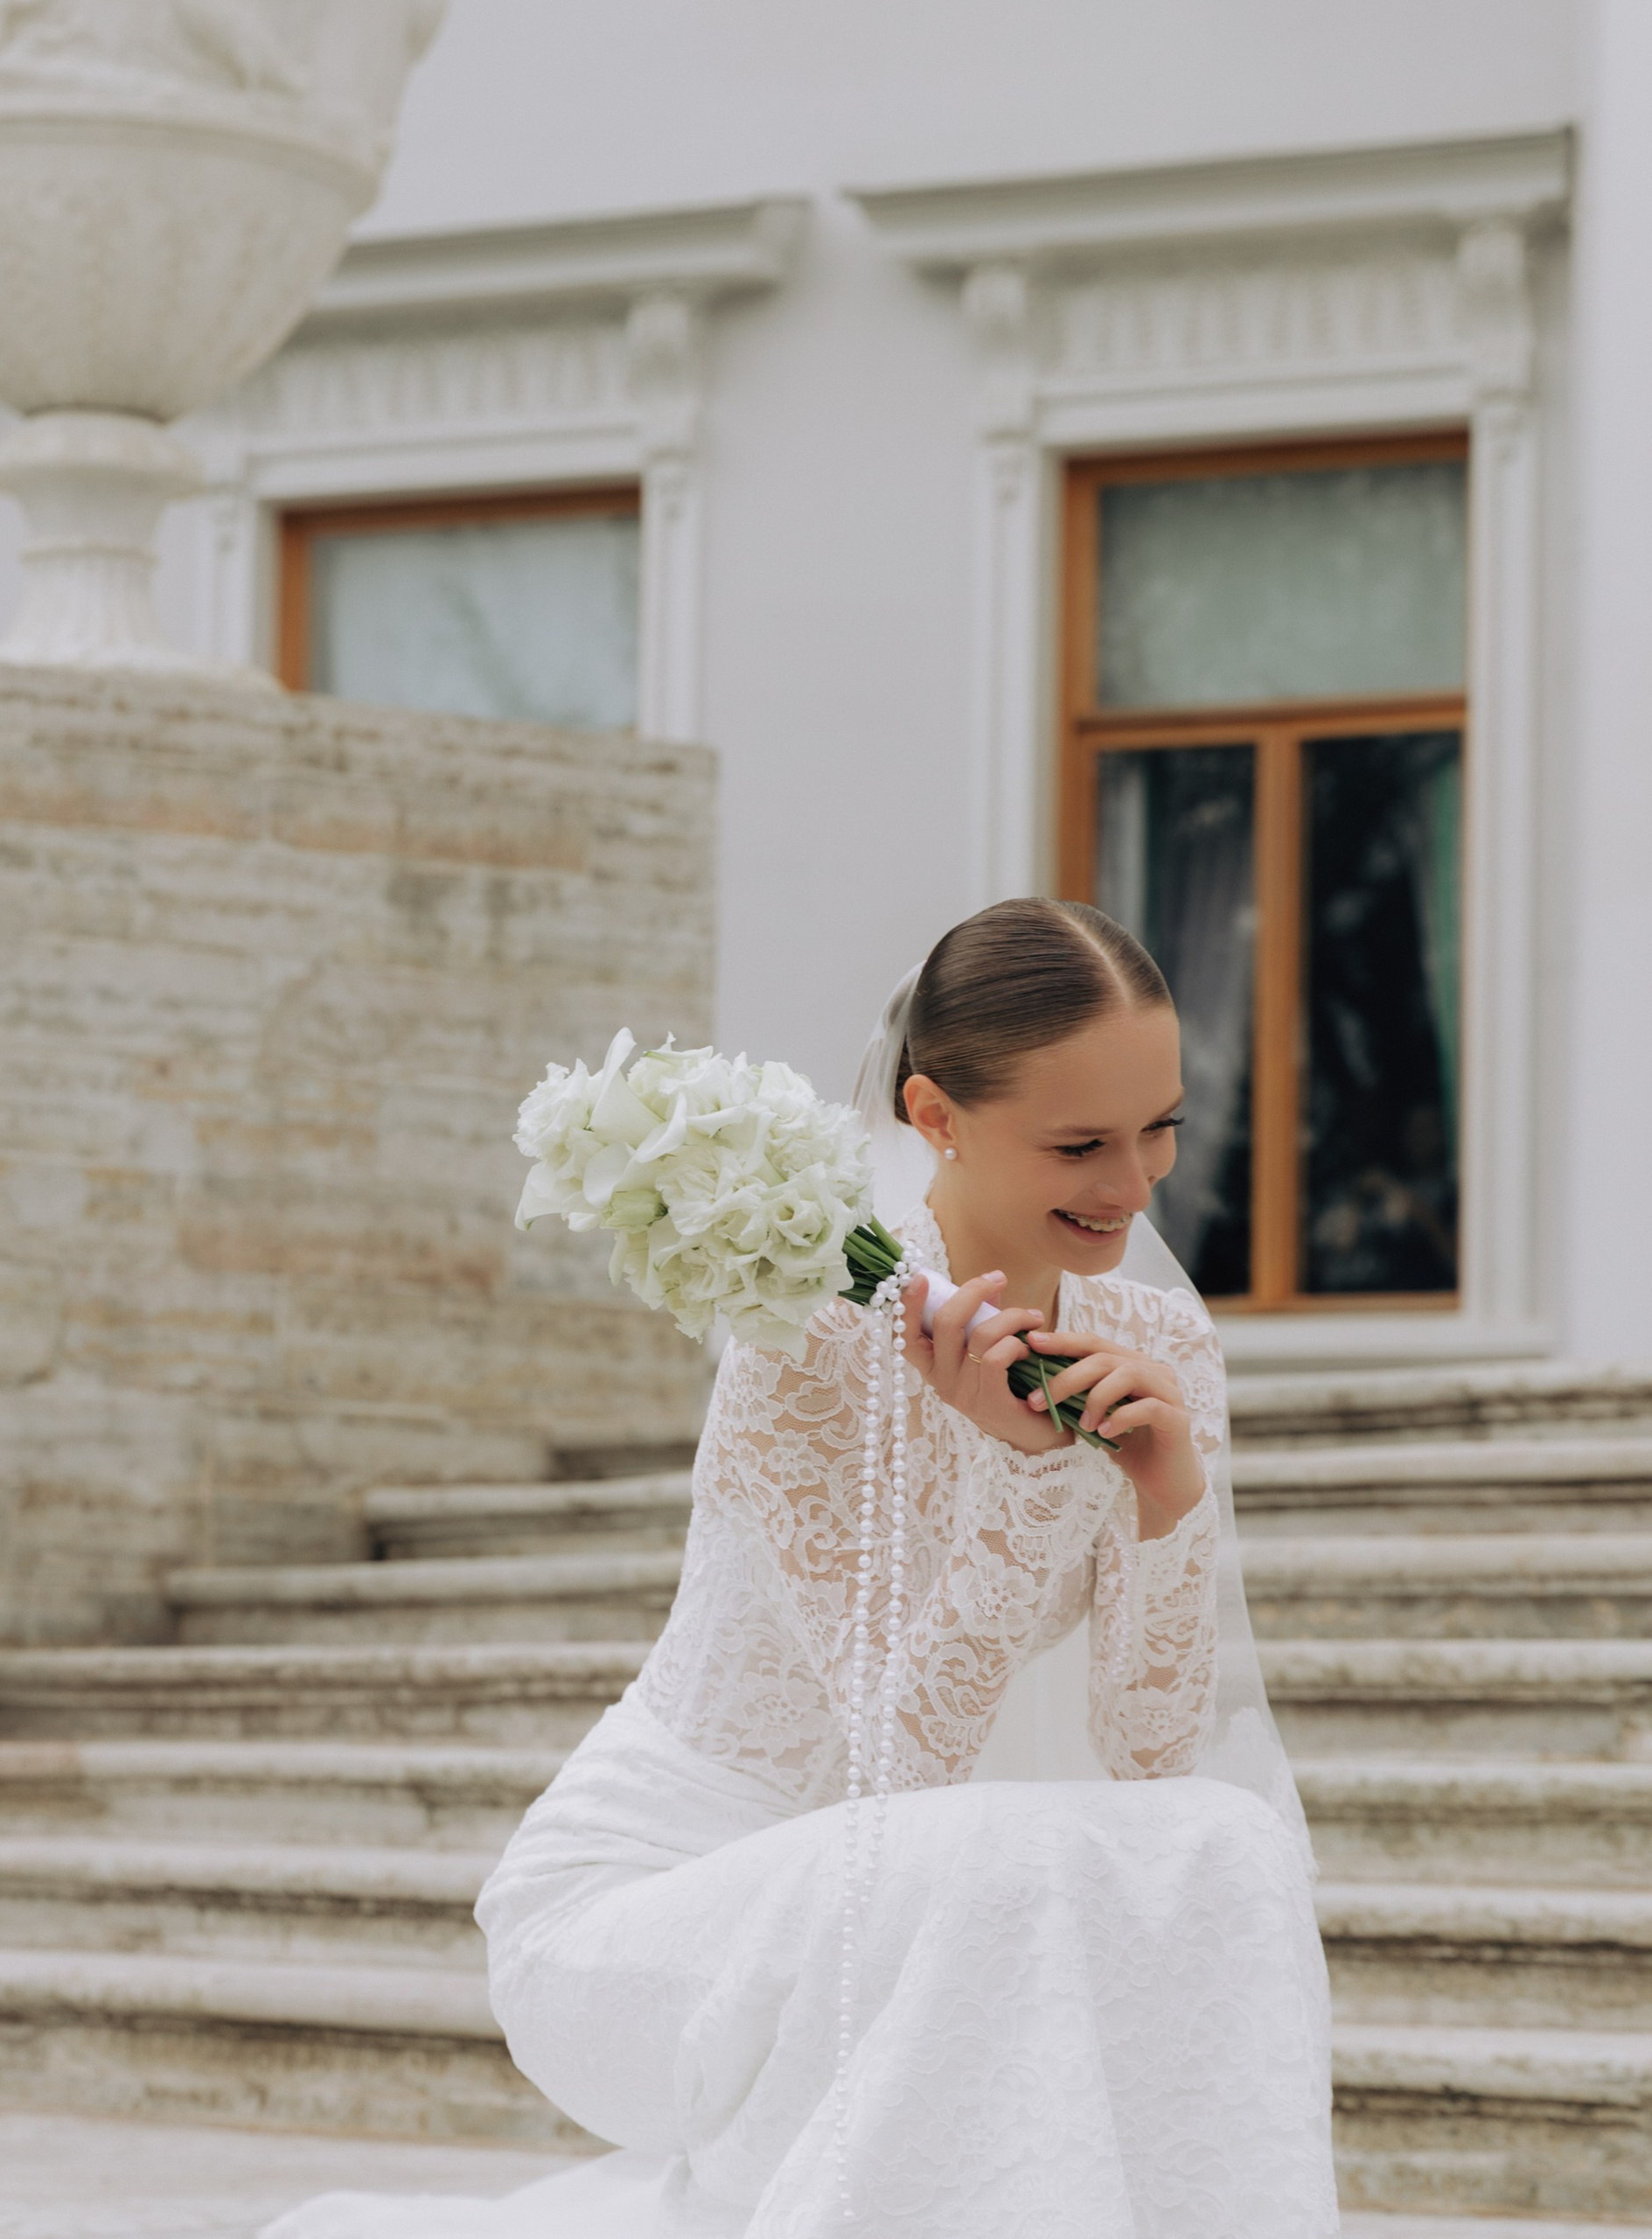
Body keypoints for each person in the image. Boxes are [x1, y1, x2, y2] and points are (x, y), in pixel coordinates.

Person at [264, 899, 1335, 2239]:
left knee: (1228, 1846)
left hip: (916, 1905)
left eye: (1160, 1127)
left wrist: (1169, 1497)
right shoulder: (812, 1341)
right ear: (934, 1115)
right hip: (657, 1912)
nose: (1134, 1184)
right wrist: (1017, 1468)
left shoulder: (1155, 1340)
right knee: (993, 1878)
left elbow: (1146, 1754)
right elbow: (902, 1772)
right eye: (1081, 1143)